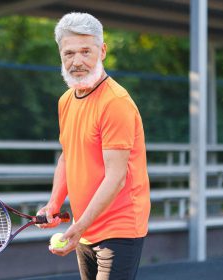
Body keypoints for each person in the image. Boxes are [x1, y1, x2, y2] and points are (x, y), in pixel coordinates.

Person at [37, 12, 151, 280]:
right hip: (85, 224)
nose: (77, 61)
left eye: (85, 52)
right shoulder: (66, 100)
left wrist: (78, 227)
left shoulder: (115, 102)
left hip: (119, 227)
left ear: (102, 51)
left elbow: (116, 177)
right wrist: (54, 203)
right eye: (69, 53)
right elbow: (68, 156)